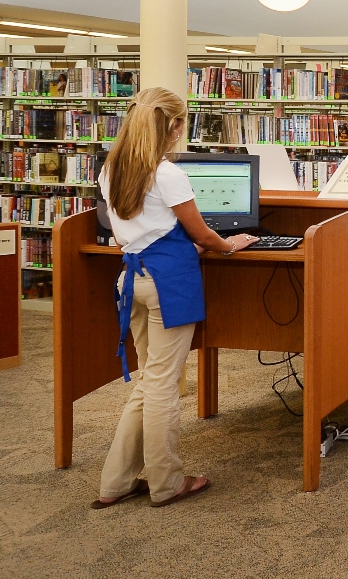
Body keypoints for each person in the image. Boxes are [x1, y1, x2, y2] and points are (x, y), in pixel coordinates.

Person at [91, 87, 257, 509]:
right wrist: (231, 245)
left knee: (149, 381)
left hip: (133, 280)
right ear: (176, 126)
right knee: (164, 385)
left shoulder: (111, 169)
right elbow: (200, 233)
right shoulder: (167, 174)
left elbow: (146, 231)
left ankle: (115, 483)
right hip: (168, 284)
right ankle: (166, 483)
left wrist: (193, 247)